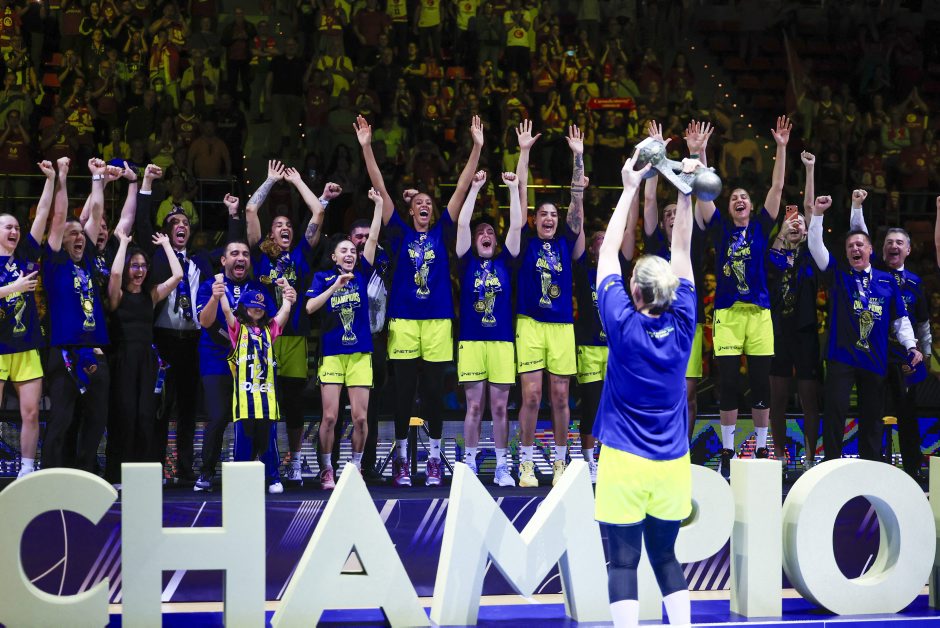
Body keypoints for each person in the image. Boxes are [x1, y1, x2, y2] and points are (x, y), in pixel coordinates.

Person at [594, 151, 695, 628]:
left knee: (622, 563)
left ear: (634, 292)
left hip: (624, 461)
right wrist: (685, 191)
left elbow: (606, 253)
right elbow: (683, 250)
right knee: (666, 558)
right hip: (673, 464)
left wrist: (630, 187)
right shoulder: (685, 321)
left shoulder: (621, 323)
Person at [355, 114, 484, 487]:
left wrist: (477, 147)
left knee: (432, 394)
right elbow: (379, 186)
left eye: (430, 202)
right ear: (411, 209)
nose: (425, 205)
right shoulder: (398, 231)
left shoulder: (443, 229)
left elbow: (462, 186)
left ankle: (433, 458)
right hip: (404, 321)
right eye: (420, 202)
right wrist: (367, 147)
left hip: (439, 320)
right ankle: (400, 459)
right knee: (403, 393)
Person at [697, 116, 792, 478]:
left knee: (761, 381)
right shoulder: (720, 228)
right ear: (729, 207)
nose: (739, 199)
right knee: (729, 383)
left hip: (759, 315)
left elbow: (778, 187)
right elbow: (704, 191)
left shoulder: (762, 227)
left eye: (744, 198)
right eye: (734, 197)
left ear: (751, 207)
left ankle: (763, 446)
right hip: (727, 314)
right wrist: (700, 153)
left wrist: (781, 147)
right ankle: (727, 450)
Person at [244, 161, 341, 486]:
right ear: (270, 233)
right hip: (263, 339)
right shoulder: (260, 255)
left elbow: (318, 213)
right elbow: (250, 210)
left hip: (296, 338)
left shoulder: (300, 254)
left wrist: (298, 181)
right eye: (278, 225)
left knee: (294, 404)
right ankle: (262, 460)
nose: (284, 227)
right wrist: (270, 181)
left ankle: (296, 462)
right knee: (264, 403)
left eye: (288, 224)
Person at [807, 195, 922, 462]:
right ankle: (831, 465)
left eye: (860, 244)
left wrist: (911, 346)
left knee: (872, 418)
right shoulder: (838, 274)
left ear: (870, 250)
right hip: (841, 357)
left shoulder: (886, 280)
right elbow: (815, 245)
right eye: (850, 246)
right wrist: (818, 215)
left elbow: (900, 319)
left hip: (874, 359)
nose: (855, 249)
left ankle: (870, 467)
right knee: (835, 414)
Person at [514, 124, 586, 487]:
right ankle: (525, 463)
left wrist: (578, 157)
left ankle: (560, 462)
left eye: (553, 215)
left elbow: (577, 204)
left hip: (561, 326)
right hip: (529, 323)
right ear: (534, 219)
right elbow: (521, 193)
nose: (548, 218)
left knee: (560, 396)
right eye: (543, 214)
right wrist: (524, 152)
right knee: (531, 396)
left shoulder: (565, 242)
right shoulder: (524, 240)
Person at [850, 189, 932, 478]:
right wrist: (857, 207)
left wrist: (925, 354)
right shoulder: (872, 274)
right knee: (871, 414)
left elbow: (923, 323)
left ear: (908, 250)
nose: (893, 246)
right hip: (874, 358)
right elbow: (859, 235)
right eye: (888, 242)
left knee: (908, 415)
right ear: (880, 250)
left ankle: (912, 470)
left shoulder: (915, 283)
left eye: (899, 242)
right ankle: (869, 469)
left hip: (905, 361)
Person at [305, 189, 384, 489]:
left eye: (353, 251)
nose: (350, 254)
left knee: (361, 419)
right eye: (344, 251)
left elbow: (372, 239)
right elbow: (310, 307)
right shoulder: (323, 278)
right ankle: (327, 469)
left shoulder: (363, 273)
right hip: (332, 354)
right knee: (329, 417)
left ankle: (356, 467)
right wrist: (335, 286)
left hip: (360, 353)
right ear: (334, 257)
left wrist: (378, 205)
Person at [41, 158, 114, 472]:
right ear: (60, 239)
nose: (79, 237)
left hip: (95, 351)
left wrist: (97, 177)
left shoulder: (87, 260)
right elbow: (59, 216)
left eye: (81, 234)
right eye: (72, 234)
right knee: (62, 419)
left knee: (97, 420)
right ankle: (51, 474)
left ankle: (86, 473)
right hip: (64, 353)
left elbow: (96, 213)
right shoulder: (54, 261)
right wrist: (62, 176)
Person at [643, 120, 711, 442]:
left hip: (687, 323)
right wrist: (657, 155)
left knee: (688, 392)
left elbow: (702, 194)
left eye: (676, 212)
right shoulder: (655, 241)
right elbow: (649, 201)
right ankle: (658, 444)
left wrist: (697, 154)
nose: (673, 216)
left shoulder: (691, 242)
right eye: (667, 214)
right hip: (656, 324)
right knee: (658, 389)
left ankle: (681, 446)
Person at [194, 240, 280, 492]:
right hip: (216, 359)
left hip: (252, 364)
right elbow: (204, 321)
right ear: (223, 260)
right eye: (234, 253)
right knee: (219, 416)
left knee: (254, 417)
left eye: (245, 254)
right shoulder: (210, 285)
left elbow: (272, 324)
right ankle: (207, 472)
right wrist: (215, 297)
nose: (240, 257)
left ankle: (253, 472)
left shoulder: (258, 288)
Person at [455, 169, 523, 487]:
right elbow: (461, 224)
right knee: (474, 406)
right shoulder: (465, 262)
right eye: (481, 231)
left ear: (496, 241)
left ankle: (501, 467)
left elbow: (517, 227)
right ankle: (469, 464)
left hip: (502, 343)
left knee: (499, 407)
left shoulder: (505, 262)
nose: (486, 234)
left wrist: (513, 190)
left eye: (491, 232)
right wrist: (475, 188)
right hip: (471, 341)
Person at [104, 229, 183, 484]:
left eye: (143, 266)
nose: (139, 271)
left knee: (145, 417)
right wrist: (124, 244)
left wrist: (167, 245)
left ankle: (143, 475)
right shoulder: (117, 295)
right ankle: (118, 474)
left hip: (147, 363)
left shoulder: (151, 295)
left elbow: (178, 275)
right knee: (124, 416)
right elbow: (115, 274)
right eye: (134, 266)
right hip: (123, 361)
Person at [767, 151, 821, 473]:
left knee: (809, 399)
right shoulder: (773, 256)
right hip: (777, 334)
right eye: (792, 221)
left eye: (800, 222)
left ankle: (811, 457)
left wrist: (809, 170)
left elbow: (811, 210)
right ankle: (778, 455)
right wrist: (781, 231)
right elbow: (772, 259)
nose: (797, 223)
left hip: (805, 333)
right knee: (777, 399)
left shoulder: (811, 254)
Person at [219, 279, 296, 492]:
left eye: (261, 306)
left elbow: (284, 313)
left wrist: (287, 294)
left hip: (267, 402)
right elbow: (226, 311)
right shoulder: (238, 330)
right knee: (243, 446)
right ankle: (240, 481)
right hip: (244, 403)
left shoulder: (269, 331)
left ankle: (273, 479)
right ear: (244, 308)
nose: (257, 309)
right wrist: (220, 291)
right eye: (253, 305)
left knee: (269, 444)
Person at [4, 160, 54, 478]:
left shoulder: (24, 255)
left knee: (32, 412)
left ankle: (26, 470)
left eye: (16, 228)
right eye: (7, 227)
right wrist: (14, 287)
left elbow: (43, 214)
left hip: (26, 345)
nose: (14, 231)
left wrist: (50, 179)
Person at [346, 216, 391, 480]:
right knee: (335, 411)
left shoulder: (384, 266)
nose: (363, 240)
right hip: (343, 344)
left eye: (367, 236)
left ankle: (367, 464)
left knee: (370, 410)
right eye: (358, 237)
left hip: (375, 342)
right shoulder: (342, 268)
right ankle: (328, 466)